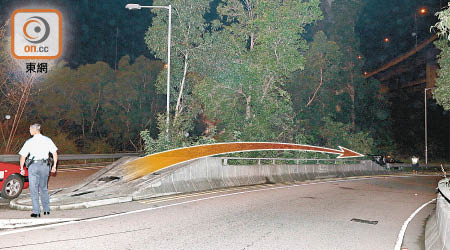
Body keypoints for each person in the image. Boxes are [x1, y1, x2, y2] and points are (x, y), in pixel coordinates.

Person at [19, 124, 58, 218]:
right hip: (45, 166)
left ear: (34, 130)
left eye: (30, 129)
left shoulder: (29, 141)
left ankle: (36, 212)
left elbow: (23, 157)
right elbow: (54, 153)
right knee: (43, 188)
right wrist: (54, 166)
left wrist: (21, 168)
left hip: (34, 166)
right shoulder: (47, 140)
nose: (29, 131)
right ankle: (46, 210)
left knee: (33, 189)